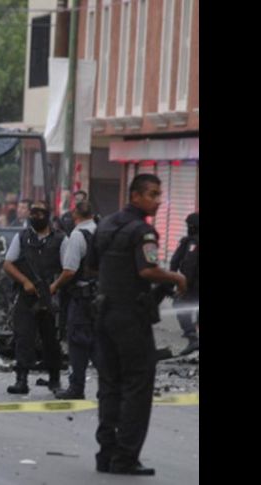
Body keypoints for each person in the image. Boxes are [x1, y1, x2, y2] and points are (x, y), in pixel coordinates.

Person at [87, 174, 186, 476]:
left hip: (104, 315)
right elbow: (147, 270)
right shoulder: (143, 231)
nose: (158, 201)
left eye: (159, 195)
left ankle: (106, 453)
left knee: (110, 384)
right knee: (137, 386)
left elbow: (91, 266)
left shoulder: (103, 226)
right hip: (131, 317)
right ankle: (125, 457)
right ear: (135, 197)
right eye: (153, 195)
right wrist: (176, 277)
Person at [2, 200, 65, 394]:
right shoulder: (22, 237)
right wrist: (25, 282)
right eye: (34, 212)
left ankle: (54, 379)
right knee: (23, 337)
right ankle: (21, 380)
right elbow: (8, 264)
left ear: (48, 215)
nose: (36, 216)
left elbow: (69, 268)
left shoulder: (61, 239)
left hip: (49, 296)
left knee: (50, 340)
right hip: (26, 295)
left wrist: (54, 287)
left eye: (41, 212)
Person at [49, 201, 98, 399]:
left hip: (82, 299)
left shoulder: (78, 235)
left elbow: (69, 270)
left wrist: (55, 286)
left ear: (74, 215)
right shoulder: (101, 232)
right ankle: (110, 386)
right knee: (98, 342)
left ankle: (76, 388)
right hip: (101, 297)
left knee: (78, 342)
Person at [169, 212, 199, 356]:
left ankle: (192, 337)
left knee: (179, 304)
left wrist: (181, 284)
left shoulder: (192, 243)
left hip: (192, 285)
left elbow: (186, 264)